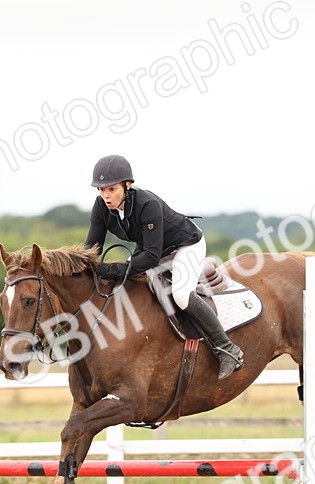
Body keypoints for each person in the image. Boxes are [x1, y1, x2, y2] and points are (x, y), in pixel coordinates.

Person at [85, 154, 244, 380]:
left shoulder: (146, 204)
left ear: (127, 185)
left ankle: (227, 349)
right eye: (101, 190)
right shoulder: (101, 207)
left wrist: (115, 269)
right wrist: (80, 267)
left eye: (112, 189)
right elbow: (92, 249)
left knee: (181, 295)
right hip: (154, 249)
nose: (106, 196)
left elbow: (150, 257)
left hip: (185, 246)